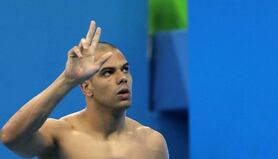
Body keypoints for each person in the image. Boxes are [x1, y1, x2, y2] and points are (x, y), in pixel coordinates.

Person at [0, 21, 169, 159]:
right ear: (86, 87)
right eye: (108, 72)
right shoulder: (60, 134)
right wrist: (67, 80)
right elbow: (10, 138)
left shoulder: (152, 143)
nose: (122, 78)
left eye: (125, 69)